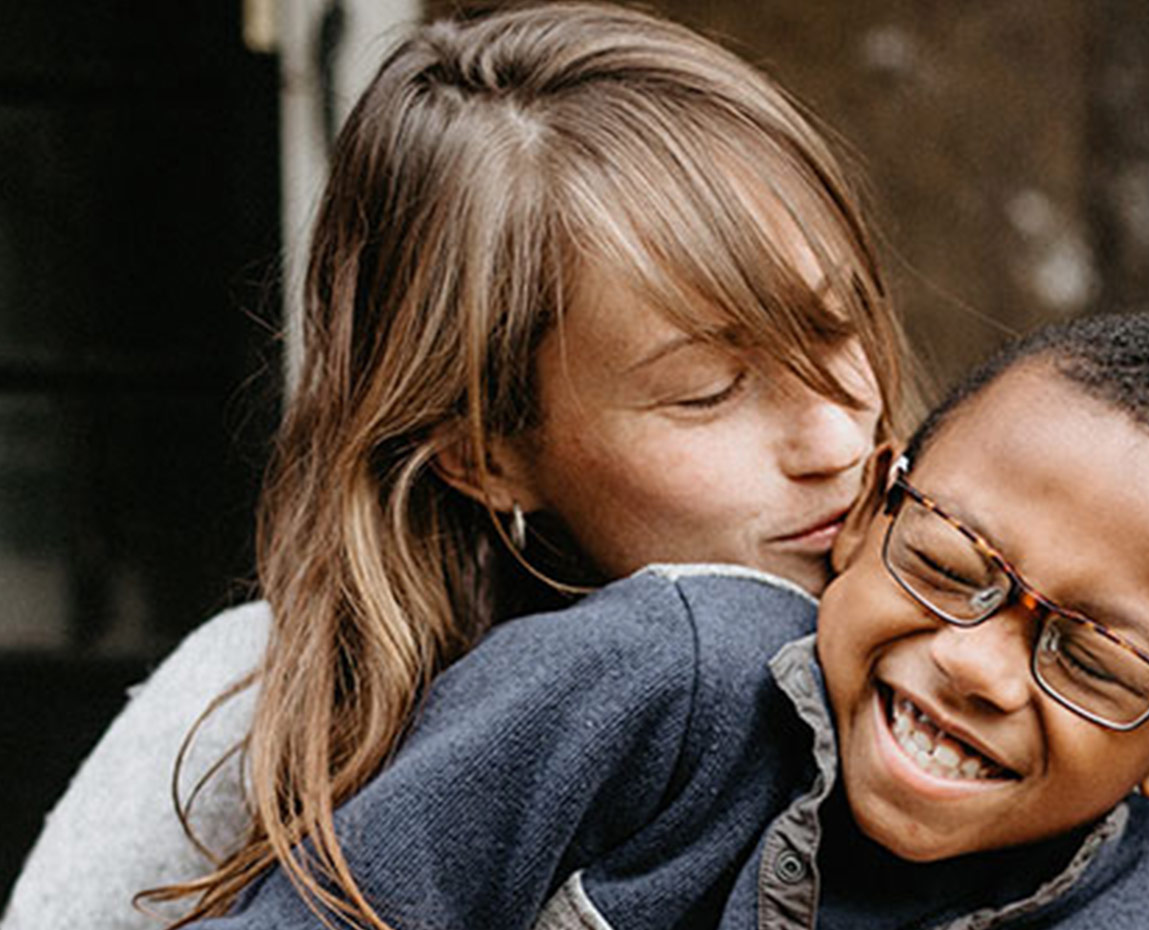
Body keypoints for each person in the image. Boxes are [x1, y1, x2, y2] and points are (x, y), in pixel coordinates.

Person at [0, 4, 913, 929]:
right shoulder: (251, 717)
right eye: (708, 391)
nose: (837, 441)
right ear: (483, 456)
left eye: (838, 330)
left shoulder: (981, 680)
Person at [190, 314, 1149, 930]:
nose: (979, 665)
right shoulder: (654, 679)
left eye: (1092, 657)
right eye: (945, 562)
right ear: (869, 508)